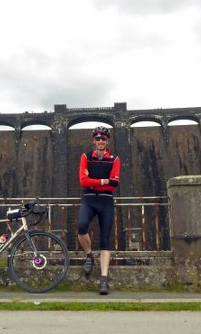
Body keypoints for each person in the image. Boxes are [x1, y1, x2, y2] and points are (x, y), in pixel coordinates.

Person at [77, 126, 120, 295]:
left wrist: (93, 180)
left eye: (103, 139)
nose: (100, 141)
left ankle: (103, 279)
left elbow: (115, 183)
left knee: (105, 240)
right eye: (98, 138)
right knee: (81, 227)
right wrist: (104, 181)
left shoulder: (115, 159)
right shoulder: (86, 157)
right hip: (89, 199)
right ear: (94, 141)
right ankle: (89, 255)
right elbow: (83, 181)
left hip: (106, 201)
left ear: (107, 141)